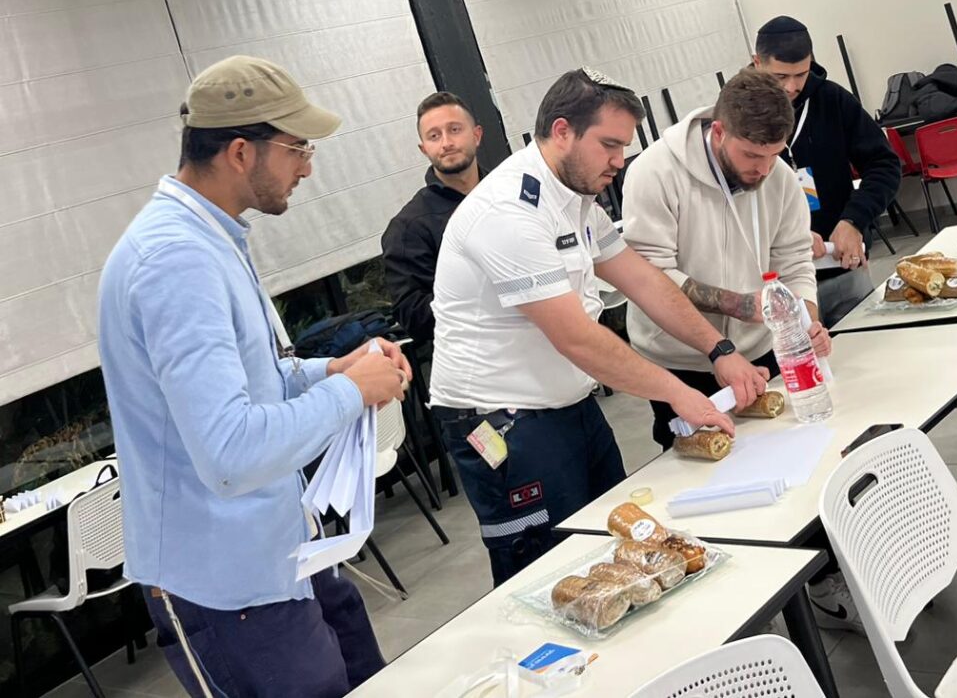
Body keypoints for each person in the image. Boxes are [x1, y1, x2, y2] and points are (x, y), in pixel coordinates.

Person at [98, 56, 412, 697]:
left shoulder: (211, 239)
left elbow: (256, 382)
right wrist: (351, 391)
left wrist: (332, 369)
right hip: (227, 586)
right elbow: (231, 451)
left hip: (280, 554)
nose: (307, 168)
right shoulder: (176, 260)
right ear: (241, 152)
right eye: (298, 149)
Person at [429, 67, 768, 585]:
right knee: (552, 573)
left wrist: (719, 349)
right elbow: (576, 338)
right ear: (562, 131)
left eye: (624, 146)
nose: (619, 160)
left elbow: (643, 279)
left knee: (616, 542)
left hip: (567, 403)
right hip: (503, 423)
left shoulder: (578, 201)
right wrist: (680, 393)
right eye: (609, 145)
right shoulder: (508, 214)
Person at [623, 68, 831, 451]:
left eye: (774, 154)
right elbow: (649, 275)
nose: (763, 169)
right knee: (697, 460)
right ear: (719, 132)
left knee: (780, 447)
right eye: (751, 154)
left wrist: (807, 321)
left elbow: (795, 260)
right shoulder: (654, 173)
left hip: (759, 347)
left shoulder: (781, 178)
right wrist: (741, 306)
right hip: (680, 358)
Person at [753, 16, 901, 327]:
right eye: (780, 76)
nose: (792, 87)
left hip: (841, 265)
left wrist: (854, 220)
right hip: (778, 281)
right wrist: (787, 236)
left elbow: (884, 165)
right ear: (757, 63)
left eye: (801, 74)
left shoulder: (833, 100)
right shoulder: (738, 113)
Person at [381, 92, 485, 346]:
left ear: (477, 135)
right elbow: (414, 318)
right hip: (478, 358)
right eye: (434, 136)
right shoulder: (408, 228)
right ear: (424, 148)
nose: (446, 142)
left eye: (455, 130)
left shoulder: (512, 194)